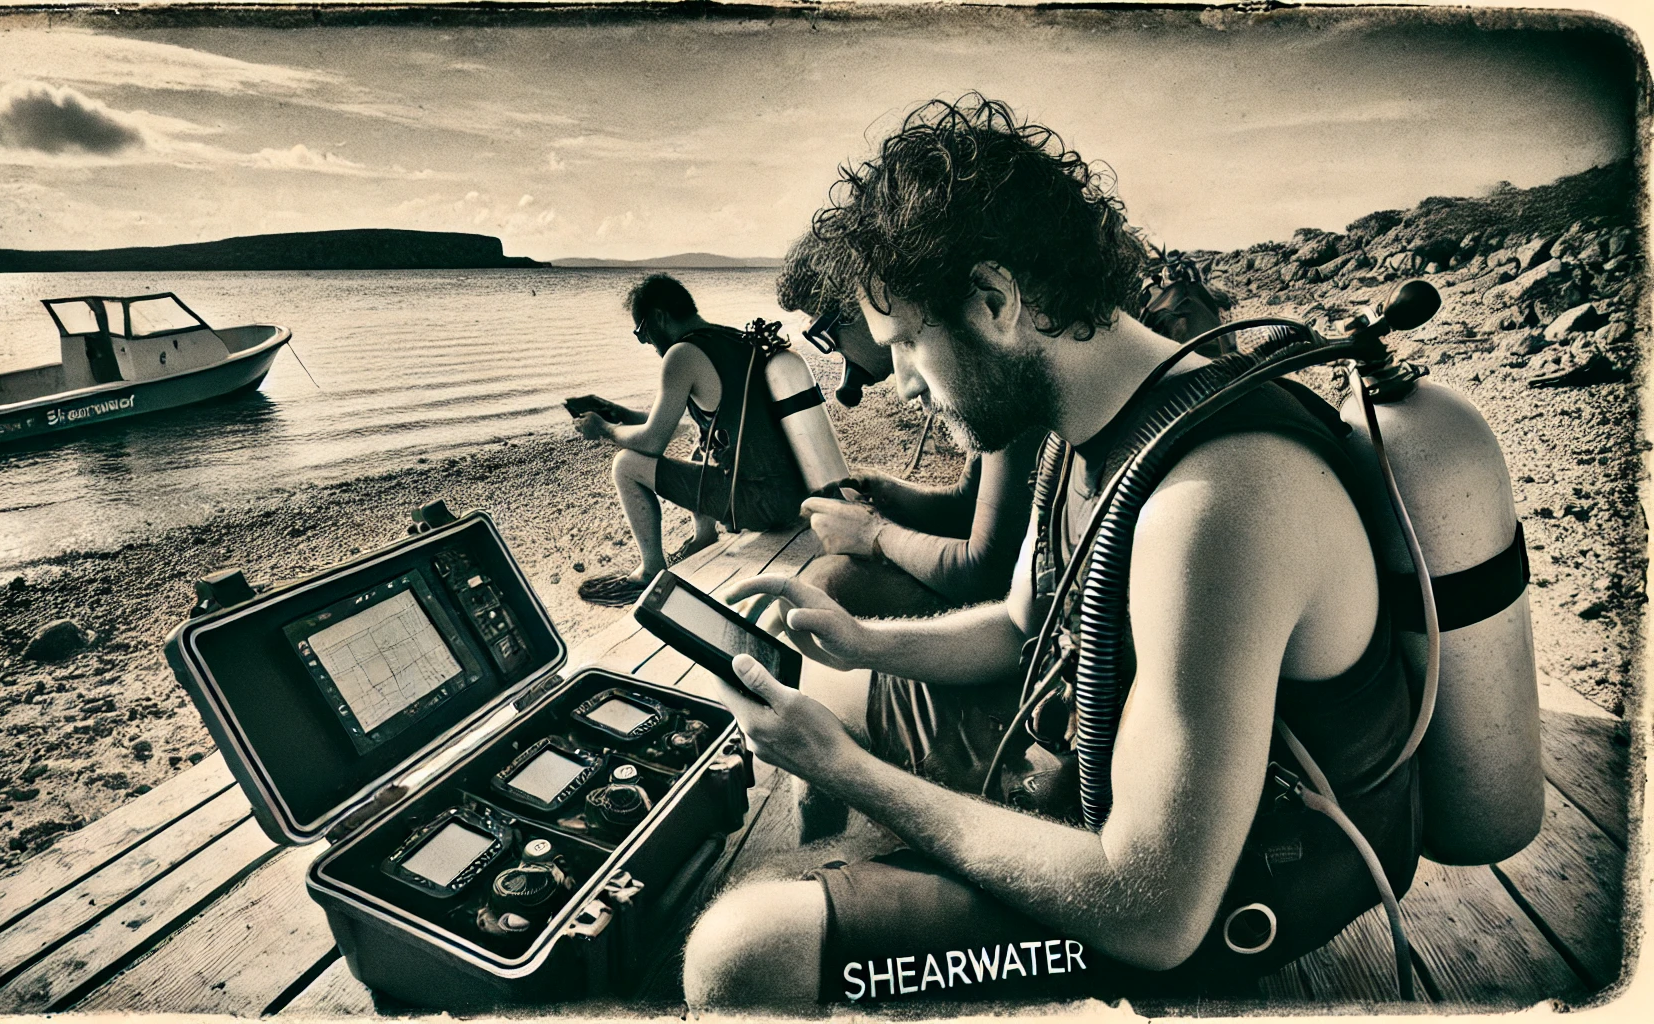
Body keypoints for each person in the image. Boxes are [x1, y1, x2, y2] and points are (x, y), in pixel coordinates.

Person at [681, 95, 1426, 1007]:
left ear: (995, 300)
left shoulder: (1218, 502)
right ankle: (852, 882)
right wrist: (860, 641)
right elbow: (1016, 625)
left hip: (1223, 892)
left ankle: (840, 904)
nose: (904, 383)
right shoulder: (1085, 426)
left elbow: (1153, 911)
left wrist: (845, 773)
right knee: (818, 683)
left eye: (910, 342)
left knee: (739, 951)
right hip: (1086, 779)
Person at [774, 234, 1043, 620]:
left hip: (1008, 616)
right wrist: (885, 492)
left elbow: (988, 570)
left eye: (829, 335)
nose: (905, 390)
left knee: (830, 582)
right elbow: (970, 503)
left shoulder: (999, 383)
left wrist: (875, 536)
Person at [570, 274, 807, 606]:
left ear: (658, 317)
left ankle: (650, 569)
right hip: (792, 493)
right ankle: (704, 537)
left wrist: (605, 430)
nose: (648, 344)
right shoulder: (730, 339)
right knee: (700, 443)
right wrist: (619, 414)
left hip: (761, 503)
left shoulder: (681, 354)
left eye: (642, 332)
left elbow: (652, 442)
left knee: (625, 465)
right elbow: (674, 425)